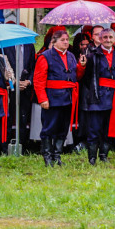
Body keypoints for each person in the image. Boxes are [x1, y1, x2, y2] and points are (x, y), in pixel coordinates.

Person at [78, 27, 115, 165]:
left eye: (110, 37)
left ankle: (104, 156)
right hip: (97, 97)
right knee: (94, 128)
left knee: (108, 129)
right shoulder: (91, 54)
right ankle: (92, 158)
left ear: (114, 39)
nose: (108, 40)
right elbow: (83, 77)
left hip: (114, 96)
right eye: (105, 37)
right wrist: (82, 65)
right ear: (100, 39)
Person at [33, 30, 79, 166]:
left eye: (67, 39)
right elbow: (38, 80)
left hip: (68, 98)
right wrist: (42, 99)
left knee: (62, 128)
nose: (66, 42)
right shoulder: (45, 56)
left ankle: (57, 156)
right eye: (62, 40)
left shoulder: (71, 56)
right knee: (49, 128)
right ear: (54, 41)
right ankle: (47, 157)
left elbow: (75, 76)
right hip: (52, 98)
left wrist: (81, 67)